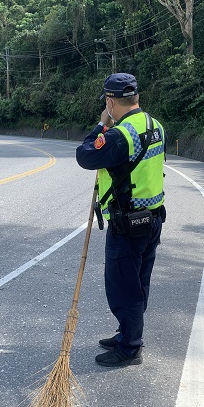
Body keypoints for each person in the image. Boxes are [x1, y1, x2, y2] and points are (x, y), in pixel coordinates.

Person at [76, 73, 166, 367]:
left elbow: (86, 155)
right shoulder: (155, 126)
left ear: (111, 101)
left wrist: (102, 123)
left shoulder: (119, 135)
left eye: (107, 103)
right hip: (152, 219)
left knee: (122, 287)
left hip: (127, 225)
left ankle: (130, 348)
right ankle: (128, 332)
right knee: (138, 283)